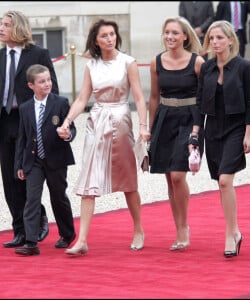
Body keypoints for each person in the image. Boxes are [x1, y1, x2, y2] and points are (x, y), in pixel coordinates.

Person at [59, 19, 150, 256]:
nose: (110, 38)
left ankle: (139, 229)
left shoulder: (128, 62)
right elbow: (82, 99)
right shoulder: (92, 66)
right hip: (96, 123)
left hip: (121, 121)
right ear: (96, 41)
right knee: (89, 179)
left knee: (128, 181)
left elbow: (139, 98)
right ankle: (82, 240)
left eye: (112, 34)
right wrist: (68, 121)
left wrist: (143, 127)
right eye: (104, 36)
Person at [196, 20, 250, 257]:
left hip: (236, 128)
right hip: (213, 129)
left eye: (220, 38)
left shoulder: (243, 67)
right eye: (212, 38)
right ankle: (235, 231)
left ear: (231, 40)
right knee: (221, 183)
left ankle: (231, 233)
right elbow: (200, 102)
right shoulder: (208, 68)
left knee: (224, 181)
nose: (215, 42)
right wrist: (196, 133)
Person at [0, 10, 58, 248]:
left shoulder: (38, 54)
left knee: (26, 176)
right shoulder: (0, 55)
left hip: (29, 122)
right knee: (9, 180)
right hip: (4, 121)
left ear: (19, 27)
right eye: (1, 24)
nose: (1, 28)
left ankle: (38, 219)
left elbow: (51, 91)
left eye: (5, 25)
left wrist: (51, 123)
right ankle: (20, 231)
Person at [148, 17, 205, 251]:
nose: (170, 37)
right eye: (167, 32)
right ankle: (179, 226)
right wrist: (149, 130)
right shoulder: (156, 62)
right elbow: (153, 97)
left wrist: (197, 129)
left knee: (178, 176)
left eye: (175, 33)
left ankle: (184, 228)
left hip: (190, 120)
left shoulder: (197, 62)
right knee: (169, 177)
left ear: (185, 36)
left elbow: (203, 100)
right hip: (165, 118)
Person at [13, 64, 76, 256]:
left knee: (58, 197)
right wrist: (20, 164)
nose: (47, 84)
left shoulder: (60, 103)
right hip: (34, 161)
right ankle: (31, 242)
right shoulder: (24, 108)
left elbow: (71, 128)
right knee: (32, 200)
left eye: (48, 80)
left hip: (56, 159)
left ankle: (67, 234)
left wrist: (68, 135)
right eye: (42, 82)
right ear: (31, 85)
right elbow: (22, 138)